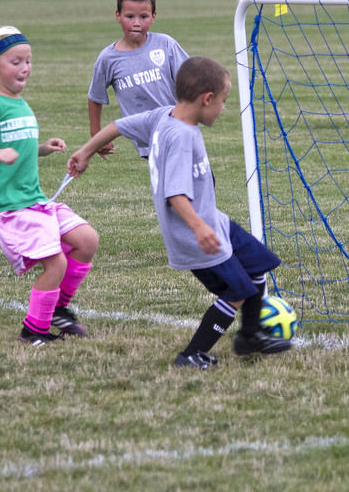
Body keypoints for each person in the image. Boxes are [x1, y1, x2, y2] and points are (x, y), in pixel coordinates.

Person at [68, 56, 292, 369]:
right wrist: (199, 228)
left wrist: (85, 151)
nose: (223, 108)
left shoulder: (163, 115)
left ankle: (250, 336)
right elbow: (175, 194)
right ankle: (192, 355)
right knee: (237, 290)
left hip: (213, 220)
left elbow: (118, 126)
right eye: (223, 101)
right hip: (194, 234)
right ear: (207, 99)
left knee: (258, 262)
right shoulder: (181, 137)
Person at [0, 26, 99, 346]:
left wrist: (44, 148)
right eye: (16, 62)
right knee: (56, 263)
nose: (25, 68)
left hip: (34, 200)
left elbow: (20, 146)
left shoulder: (20, 103)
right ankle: (34, 330)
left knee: (86, 240)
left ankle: (57, 308)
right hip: (9, 206)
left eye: (28, 61)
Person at [88, 0, 190, 159]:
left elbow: (191, 78)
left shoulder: (166, 44)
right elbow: (95, 97)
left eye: (143, 16)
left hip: (178, 132)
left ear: (153, 16)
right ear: (118, 15)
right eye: (129, 16)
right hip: (147, 143)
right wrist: (97, 136)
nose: (136, 23)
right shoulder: (108, 58)